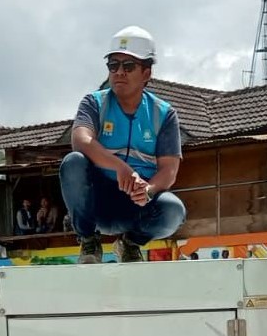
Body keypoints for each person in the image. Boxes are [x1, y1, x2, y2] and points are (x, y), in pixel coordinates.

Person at [60, 26, 185, 264]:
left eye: (128, 66)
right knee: (73, 162)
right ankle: (88, 242)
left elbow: (169, 170)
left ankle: (130, 244)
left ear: (146, 73)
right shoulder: (94, 103)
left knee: (173, 210)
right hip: (96, 201)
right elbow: (81, 139)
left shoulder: (164, 114)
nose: (119, 72)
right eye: (113, 65)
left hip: (136, 204)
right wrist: (120, 167)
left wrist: (148, 190)